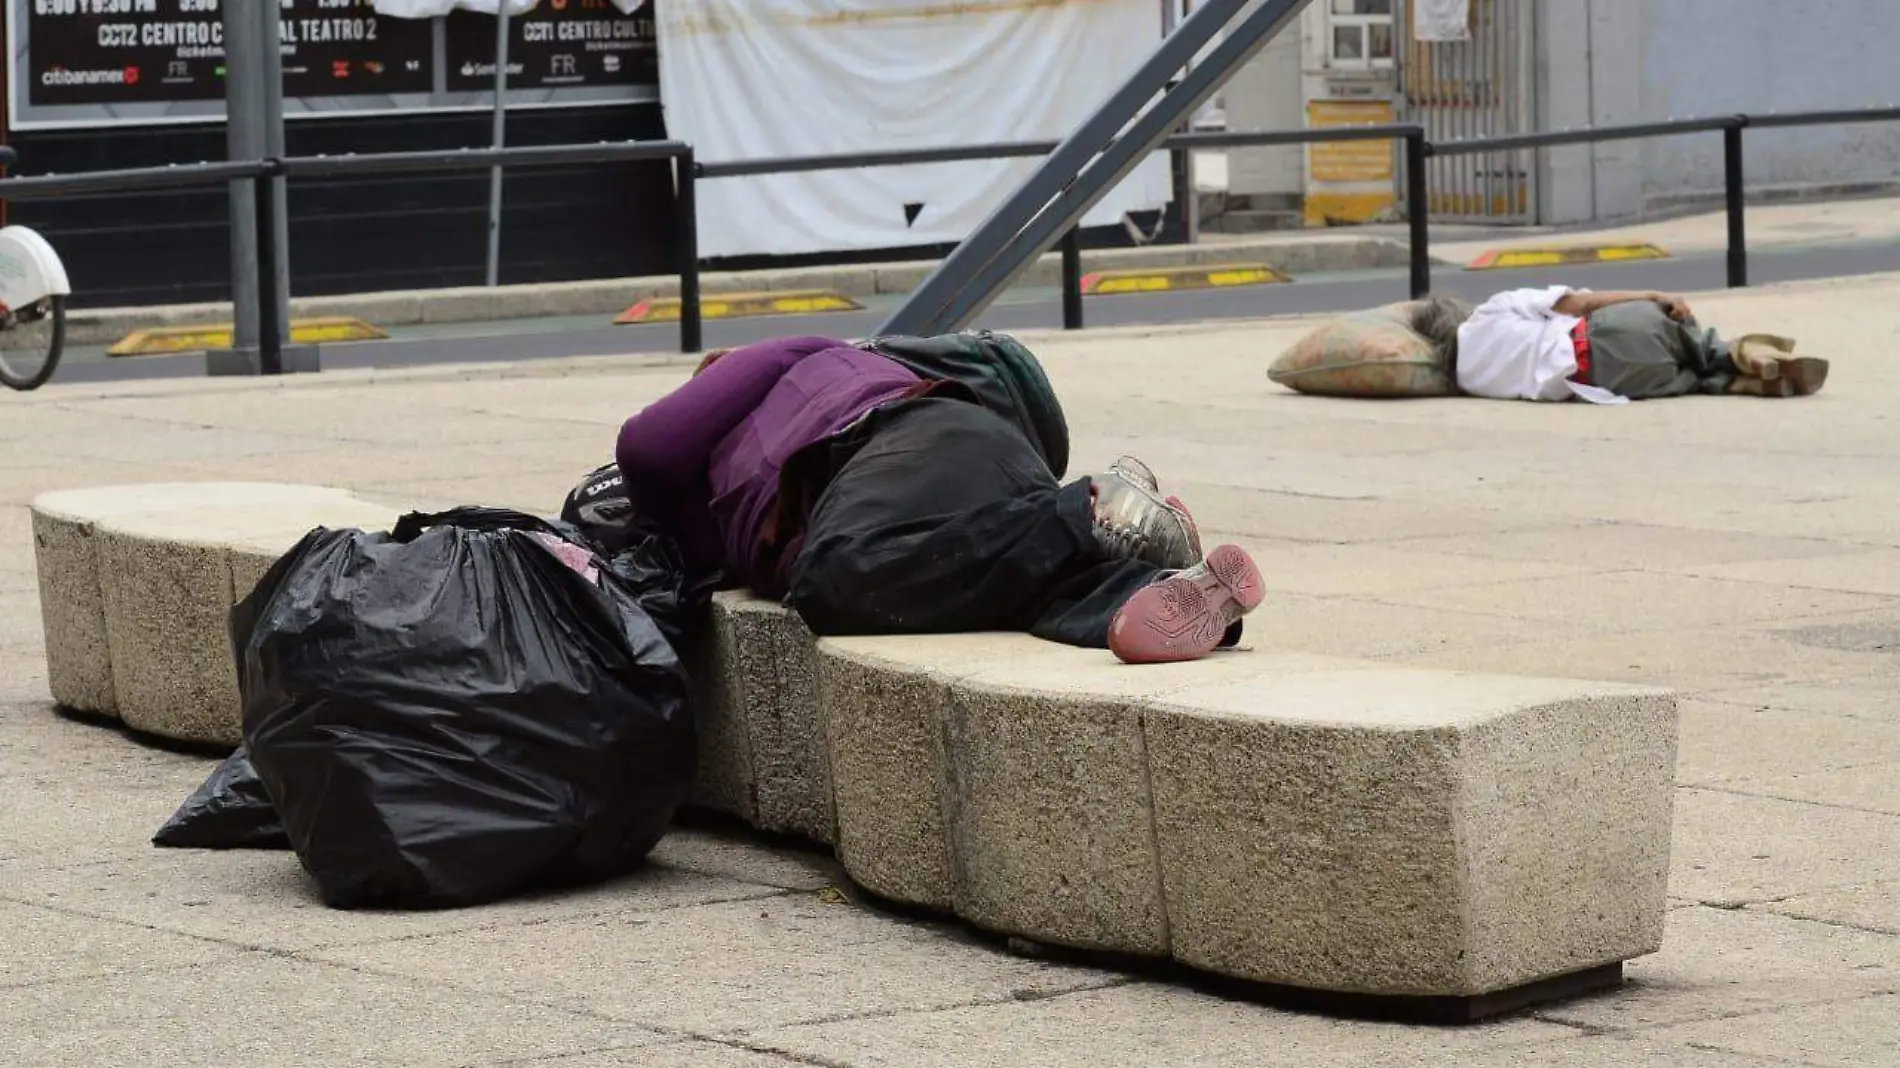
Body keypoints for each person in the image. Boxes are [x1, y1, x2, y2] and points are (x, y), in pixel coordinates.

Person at [612, 334, 1264, 665]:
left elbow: (645, 446)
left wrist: (645, 517)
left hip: (897, 444)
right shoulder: (735, 494)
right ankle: (1165, 589)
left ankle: (1085, 510)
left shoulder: (794, 366)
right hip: (982, 463)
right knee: (1012, 584)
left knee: (833, 578)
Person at [1416, 287, 1829, 404]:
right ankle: (1752, 356)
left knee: (1692, 378)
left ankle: (1746, 382)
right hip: (1596, 337)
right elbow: (1581, 303)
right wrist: (1652, 296)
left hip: (1601, 382)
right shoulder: (1491, 310)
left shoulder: (1465, 379)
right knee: (1693, 338)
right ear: (1458, 313)